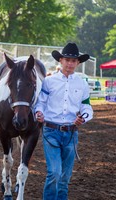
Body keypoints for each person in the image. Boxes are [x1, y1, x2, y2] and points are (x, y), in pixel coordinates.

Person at [35, 42, 93, 200]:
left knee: (65, 177)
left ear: (78, 63)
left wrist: (83, 118)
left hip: (71, 133)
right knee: (54, 172)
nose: (70, 63)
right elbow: (41, 102)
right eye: (67, 59)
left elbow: (86, 107)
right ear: (60, 60)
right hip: (51, 131)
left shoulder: (82, 84)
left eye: (73, 60)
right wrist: (39, 112)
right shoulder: (49, 81)